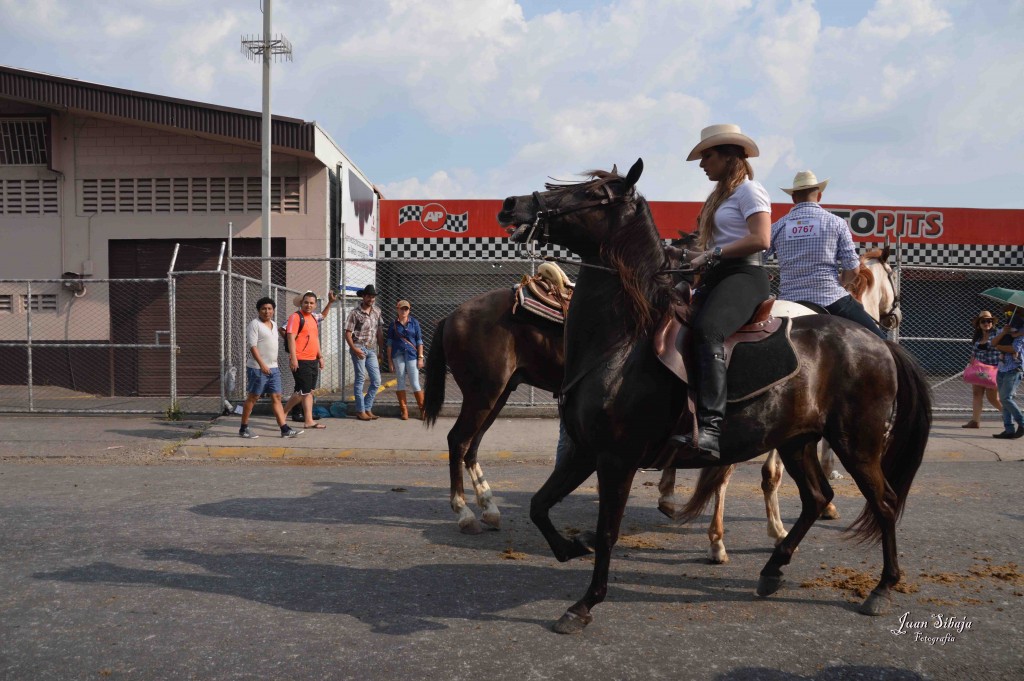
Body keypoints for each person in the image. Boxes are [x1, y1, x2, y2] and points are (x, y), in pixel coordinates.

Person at [668, 124, 773, 461]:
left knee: (708, 330)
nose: (702, 164)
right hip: (716, 277)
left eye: (707, 156)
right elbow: (708, 247)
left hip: (745, 275)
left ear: (729, 156)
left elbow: (761, 239)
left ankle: (712, 428)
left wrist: (711, 255)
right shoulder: (720, 197)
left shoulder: (750, 191)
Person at [766, 170, 887, 339]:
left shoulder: (778, 226)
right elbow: (852, 268)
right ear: (819, 196)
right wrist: (842, 282)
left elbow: (758, 257)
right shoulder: (836, 223)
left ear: (793, 198)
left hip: (789, 300)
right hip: (830, 297)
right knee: (882, 343)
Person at [238, 297, 303, 439]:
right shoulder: (254, 324)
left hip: (274, 368)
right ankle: (243, 428)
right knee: (253, 397)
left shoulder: (273, 324)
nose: (267, 311)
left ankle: (284, 429)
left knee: (277, 397)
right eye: (263, 309)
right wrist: (262, 365)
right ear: (258, 310)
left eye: (269, 309)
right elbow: (253, 347)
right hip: (257, 368)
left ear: (273, 310)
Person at [281, 290, 335, 430]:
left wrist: (320, 356)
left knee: (306, 391)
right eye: (306, 302)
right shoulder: (295, 317)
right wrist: (293, 357)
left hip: (312, 359)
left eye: (311, 303)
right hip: (300, 359)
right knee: (304, 392)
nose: (308, 305)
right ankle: (296, 416)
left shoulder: (313, 318)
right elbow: (290, 337)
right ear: (301, 303)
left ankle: (295, 416)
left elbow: (315, 338)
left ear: (315, 305)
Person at [345, 284, 384, 421]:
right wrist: (354, 349)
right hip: (358, 347)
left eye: (373, 297)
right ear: (363, 296)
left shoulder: (377, 311)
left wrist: (381, 350)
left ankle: (367, 407)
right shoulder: (354, 313)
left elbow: (379, 331)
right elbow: (348, 333)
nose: (371, 299)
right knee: (360, 378)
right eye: (368, 296)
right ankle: (360, 411)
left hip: (372, 348)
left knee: (377, 381)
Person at [962, 310, 1002, 429]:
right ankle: (975, 421)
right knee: (976, 394)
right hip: (978, 371)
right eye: (983, 321)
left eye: (989, 321)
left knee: (993, 398)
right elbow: (974, 354)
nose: (986, 323)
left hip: (993, 370)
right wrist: (970, 366)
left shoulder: (998, 334)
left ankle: (1012, 415)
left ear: (992, 322)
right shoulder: (978, 338)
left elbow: (1004, 348)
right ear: (979, 324)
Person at [386, 299, 425, 420]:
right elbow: (389, 344)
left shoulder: (414, 323)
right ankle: (404, 410)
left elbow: (419, 341)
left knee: (414, 382)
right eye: (401, 308)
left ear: (409, 310)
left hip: (412, 355)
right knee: (401, 381)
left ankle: (423, 409)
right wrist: (390, 361)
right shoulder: (393, 324)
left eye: (406, 309)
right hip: (398, 355)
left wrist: (420, 357)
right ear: (397, 309)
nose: (404, 311)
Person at [992, 305, 1024, 439]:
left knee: (1006, 398)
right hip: (1002, 368)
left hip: (1013, 369)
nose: (1009, 315)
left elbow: (1014, 349)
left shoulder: (1021, 332)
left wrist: (1000, 346)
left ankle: (1022, 422)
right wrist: (1004, 333)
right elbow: (993, 343)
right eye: (1008, 312)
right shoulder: (1004, 329)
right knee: (1004, 400)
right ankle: (1009, 429)